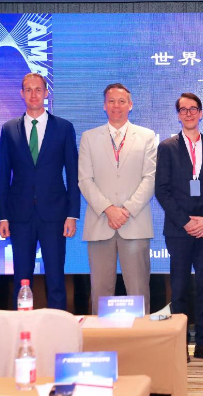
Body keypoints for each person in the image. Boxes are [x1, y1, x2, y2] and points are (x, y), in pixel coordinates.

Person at [0, 72, 80, 310]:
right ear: (22, 93)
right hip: (19, 216)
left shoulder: (63, 128)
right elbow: (2, 175)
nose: (33, 94)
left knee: (56, 279)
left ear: (46, 93)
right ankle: (22, 327)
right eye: (28, 90)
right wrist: (3, 216)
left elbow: (73, 173)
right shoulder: (9, 129)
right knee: (21, 279)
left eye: (38, 89)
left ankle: (57, 327)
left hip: (55, 214)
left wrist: (72, 214)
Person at [156, 93, 203, 362]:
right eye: (183, 109)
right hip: (179, 230)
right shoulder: (167, 147)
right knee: (180, 287)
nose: (188, 113)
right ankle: (180, 344)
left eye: (193, 109)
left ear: (201, 113)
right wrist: (185, 222)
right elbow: (162, 190)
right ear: (178, 115)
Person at [78, 83, 156, 314]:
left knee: (139, 291)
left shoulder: (146, 136)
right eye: (111, 101)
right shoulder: (89, 137)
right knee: (100, 292)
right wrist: (108, 209)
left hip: (135, 223)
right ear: (104, 106)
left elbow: (150, 178)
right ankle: (102, 337)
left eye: (122, 101)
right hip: (100, 223)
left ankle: (141, 337)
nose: (116, 106)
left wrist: (127, 210)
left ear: (130, 105)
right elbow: (84, 179)